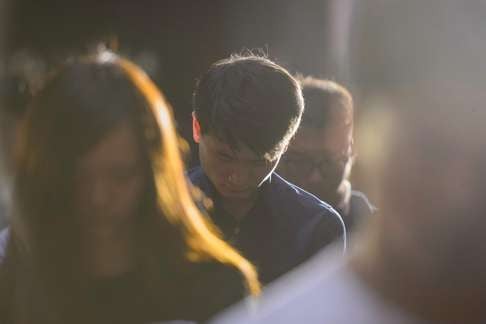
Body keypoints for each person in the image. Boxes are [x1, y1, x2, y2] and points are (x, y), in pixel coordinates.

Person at [0, 50, 260, 324]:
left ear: (155, 172)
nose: (98, 197)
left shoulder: (216, 287)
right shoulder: (13, 287)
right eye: (78, 177)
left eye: (120, 176)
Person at [189, 54, 346, 285]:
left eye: (258, 162)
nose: (238, 177)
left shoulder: (317, 227)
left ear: (286, 145)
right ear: (196, 128)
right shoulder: (163, 210)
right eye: (224, 156)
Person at [278, 77, 374, 236]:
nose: (315, 177)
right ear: (278, 152)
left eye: (329, 162)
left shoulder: (379, 237)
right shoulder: (252, 225)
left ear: (353, 150)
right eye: (301, 162)